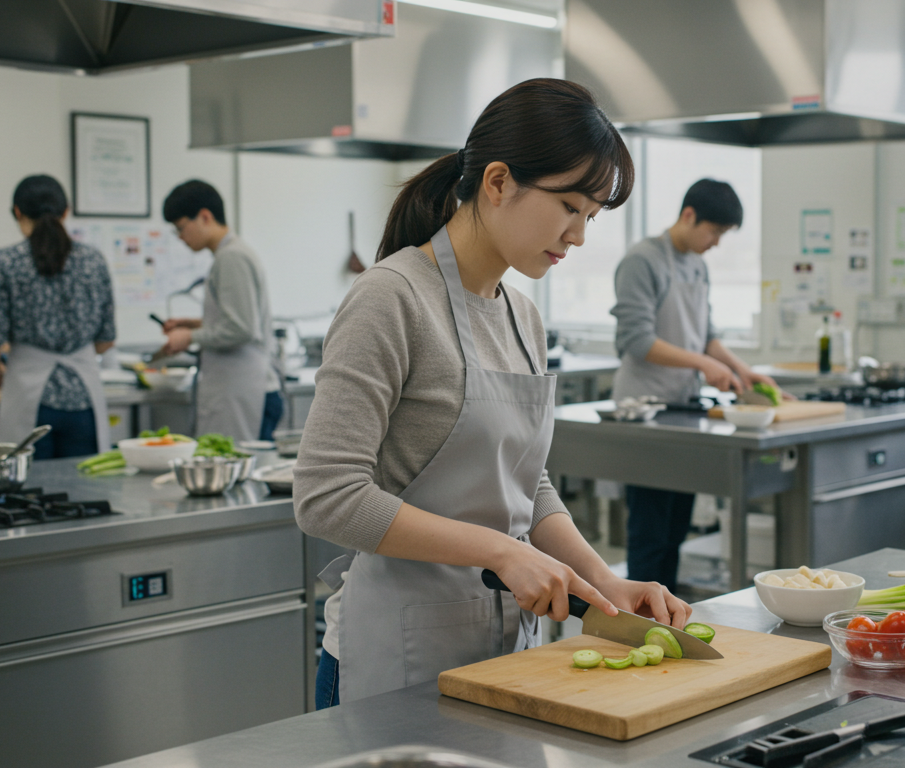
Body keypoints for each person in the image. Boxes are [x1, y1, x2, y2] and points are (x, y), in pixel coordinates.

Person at [293, 79, 691, 708]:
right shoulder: (390, 298)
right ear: (499, 182)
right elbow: (326, 497)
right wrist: (502, 552)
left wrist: (606, 583)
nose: (580, 235)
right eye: (570, 208)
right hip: (393, 659)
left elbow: (526, 486)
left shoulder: (522, 316)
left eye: (591, 217)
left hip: (508, 654)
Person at [609, 179, 783, 591]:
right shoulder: (642, 260)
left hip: (681, 407)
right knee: (651, 528)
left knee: (675, 526)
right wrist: (703, 363)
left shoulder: (698, 266)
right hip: (644, 410)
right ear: (689, 216)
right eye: (715, 232)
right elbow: (636, 340)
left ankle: (662, 609)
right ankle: (641, 617)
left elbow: (706, 334)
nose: (716, 243)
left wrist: (744, 371)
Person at [0, 175, 115, 459]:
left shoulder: (5, 262)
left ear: (17, 212)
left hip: (28, 396)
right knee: (84, 495)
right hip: (83, 398)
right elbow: (105, 339)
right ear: (67, 211)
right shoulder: (93, 260)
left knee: (29, 494)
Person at [158, 180, 283, 441]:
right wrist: (191, 324)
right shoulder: (230, 253)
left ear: (205, 217)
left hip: (244, 391)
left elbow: (241, 329)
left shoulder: (231, 257)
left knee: (240, 473)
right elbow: (236, 318)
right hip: (242, 389)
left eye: (181, 228)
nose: (180, 237)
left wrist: (189, 337)